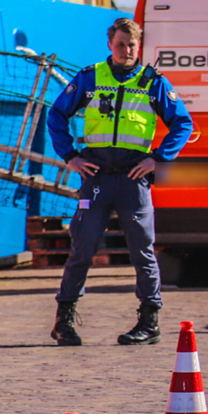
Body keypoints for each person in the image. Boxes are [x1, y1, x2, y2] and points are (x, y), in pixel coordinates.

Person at [47, 18, 193, 346]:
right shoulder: (89, 77)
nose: (127, 51)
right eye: (121, 44)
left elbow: (182, 122)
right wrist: (70, 155)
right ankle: (64, 321)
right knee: (82, 247)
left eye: (132, 45)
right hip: (95, 175)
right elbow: (56, 114)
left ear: (139, 46)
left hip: (133, 178)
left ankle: (149, 321)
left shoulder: (153, 81)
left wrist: (157, 158)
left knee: (143, 250)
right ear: (110, 45)